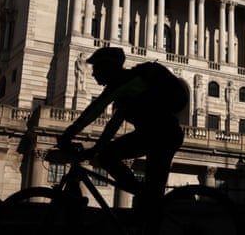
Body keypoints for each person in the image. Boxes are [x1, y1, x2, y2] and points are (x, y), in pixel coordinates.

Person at [57, 47, 187, 227]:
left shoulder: (126, 82)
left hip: (162, 136)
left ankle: (145, 200)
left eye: (97, 69)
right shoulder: (126, 89)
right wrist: (96, 149)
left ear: (108, 68)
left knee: (150, 195)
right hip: (156, 135)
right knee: (110, 159)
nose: (93, 74)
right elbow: (112, 125)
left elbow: (94, 110)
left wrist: (68, 134)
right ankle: (145, 199)